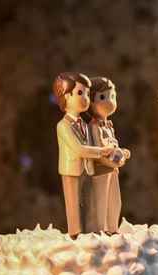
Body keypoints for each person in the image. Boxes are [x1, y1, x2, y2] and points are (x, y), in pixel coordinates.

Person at [52, 72, 116, 236]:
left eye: (87, 94)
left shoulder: (86, 125)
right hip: (71, 170)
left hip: (87, 169)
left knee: (87, 202)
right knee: (73, 203)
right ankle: (75, 232)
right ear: (66, 96)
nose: (86, 98)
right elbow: (79, 149)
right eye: (80, 93)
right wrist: (102, 151)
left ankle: (89, 231)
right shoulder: (63, 126)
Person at [86, 76, 131, 233]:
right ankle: (98, 230)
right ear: (90, 101)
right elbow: (99, 151)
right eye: (103, 97)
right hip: (101, 170)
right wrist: (111, 161)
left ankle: (112, 228)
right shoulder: (94, 127)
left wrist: (122, 153)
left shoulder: (109, 126)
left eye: (112, 97)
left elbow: (113, 145)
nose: (109, 102)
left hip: (113, 169)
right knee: (100, 201)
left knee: (115, 201)